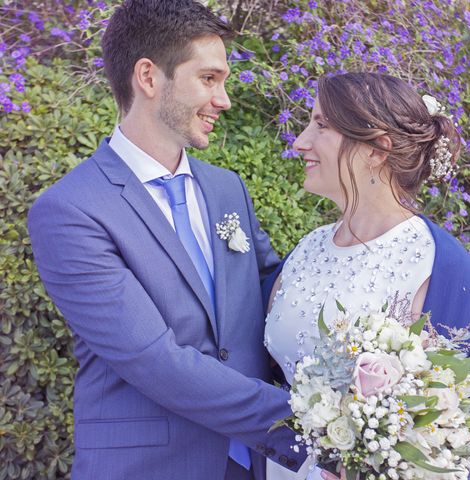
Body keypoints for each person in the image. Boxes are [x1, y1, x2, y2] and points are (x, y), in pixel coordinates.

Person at [27, 1, 305, 479]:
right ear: (149, 77)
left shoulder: (226, 188)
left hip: (250, 466)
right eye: (209, 79)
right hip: (149, 466)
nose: (224, 99)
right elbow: (155, 360)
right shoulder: (71, 211)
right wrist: (314, 426)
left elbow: (272, 294)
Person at [262, 73, 470, 479]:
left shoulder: (440, 265)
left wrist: (376, 455)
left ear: (377, 150)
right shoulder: (308, 249)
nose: (300, 141)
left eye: (321, 125)